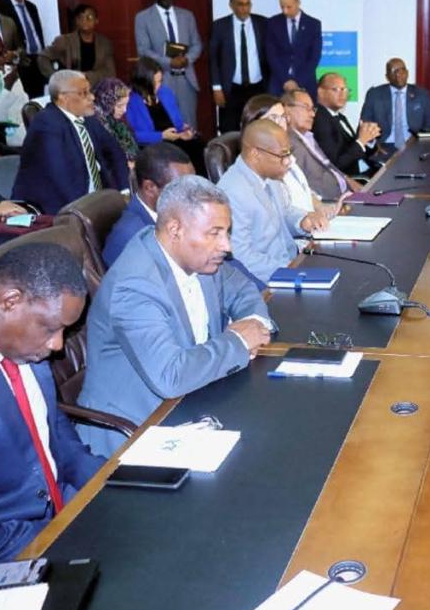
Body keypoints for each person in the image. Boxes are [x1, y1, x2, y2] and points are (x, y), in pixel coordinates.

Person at [78, 176, 273, 456]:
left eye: (227, 233)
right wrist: (239, 341)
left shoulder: (198, 258)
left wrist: (255, 324)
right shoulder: (134, 286)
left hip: (195, 400)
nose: (226, 245)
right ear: (175, 229)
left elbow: (243, 289)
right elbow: (170, 376)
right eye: (214, 233)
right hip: (136, 430)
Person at [0, 243, 104, 562]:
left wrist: (106, 480)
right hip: (13, 549)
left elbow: (52, 428)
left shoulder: (27, 352)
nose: (57, 345)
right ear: (10, 301)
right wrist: (56, 542)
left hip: (63, 511)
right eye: (51, 328)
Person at [216, 119, 327, 283]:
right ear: (255, 154)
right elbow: (242, 257)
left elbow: (285, 213)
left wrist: (303, 221)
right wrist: (291, 273)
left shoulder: (270, 176)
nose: (288, 161)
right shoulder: (232, 192)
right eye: (282, 155)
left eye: (289, 153)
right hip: (266, 280)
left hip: (292, 262)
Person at [11, 70, 129, 214]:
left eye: (90, 91)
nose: (92, 97)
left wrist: (124, 192)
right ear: (63, 98)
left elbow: (115, 152)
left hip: (95, 198)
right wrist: (89, 212)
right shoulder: (46, 124)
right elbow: (61, 178)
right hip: (58, 207)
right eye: (84, 93)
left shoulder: (88, 119)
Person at [102, 141, 194, 268]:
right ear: (150, 188)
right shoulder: (131, 238)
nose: (192, 196)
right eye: (182, 187)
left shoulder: (175, 213)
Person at [240, 93, 328, 217]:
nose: (281, 124)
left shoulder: (284, 155)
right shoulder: (258, 165)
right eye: (273, 118)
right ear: (254, 123)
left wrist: (322, 208)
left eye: (283, 117)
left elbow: (302, 190)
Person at [134, 0, 203, 130]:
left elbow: (197, 44)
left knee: (189, 126)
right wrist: (169, 62)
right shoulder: (143, 18)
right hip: (161, 80)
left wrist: (187, 59)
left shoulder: (187, 16)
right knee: (166, 125)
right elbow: (143, 50)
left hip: (186, 79)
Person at [124, 57, 202, 173]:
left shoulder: (165, 92)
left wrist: (183, 132)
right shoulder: (131, 101)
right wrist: (162, 136)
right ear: (143, 83)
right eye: (154, 83)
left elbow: (178, 123)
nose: (158, 86)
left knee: (199, 147)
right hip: (152, 147)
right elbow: (133, 136)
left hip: (174, 140)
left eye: (160, 81)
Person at [209, 0, 269, 133]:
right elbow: (213, 59)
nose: (245, 8)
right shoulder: (220, 26)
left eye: (248, 4)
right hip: (231, 88)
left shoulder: (263, 23)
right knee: (229, 130)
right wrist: (216, 88)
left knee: (258, 130)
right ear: (231, 5)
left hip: (258, 87)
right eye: (240, 4)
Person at [285, 87, 362, 201]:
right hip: (332, 202)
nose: (312, 114)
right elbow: (300, 188)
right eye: (306, 108)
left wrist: (348, 180)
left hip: (348, 193)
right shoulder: (288, 142)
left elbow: (327, 164)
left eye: (313, 109)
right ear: (287, 110)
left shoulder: (309, 137)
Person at [359, 57, 430, 151]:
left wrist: (422, 147)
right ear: (387, 76)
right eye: (394, 71)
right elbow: (365, 124)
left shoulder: (422, 94)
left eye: (402, 70)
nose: (399, 74)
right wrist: (374, 146)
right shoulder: (374, 95)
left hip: (414, 145)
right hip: (384, 146)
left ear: (407, 73)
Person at [314, 72, 381, 176]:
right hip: (352, 179)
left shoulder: (340, 117)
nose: (342, 94)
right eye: (336, 90)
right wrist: (361, 141)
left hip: (367, 170)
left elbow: (354, 149)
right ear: (321, 92)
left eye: (345, 90)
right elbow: (336, 164)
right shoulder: (320, 121)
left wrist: (369, 139)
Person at [38, 4, 115, 87]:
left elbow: (110, 72)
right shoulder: (65, 41)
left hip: (96, 86)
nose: (85, 20)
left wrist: (85, 75)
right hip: (71, 87)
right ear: (76, 21)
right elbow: (43, 57)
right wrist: (55, 78)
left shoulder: (104, 44)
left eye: (89, 17)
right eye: (81, 18)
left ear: (96, 20)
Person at [265, 0, 322, 97]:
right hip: (279, 83)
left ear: (298, 2)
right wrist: (286, 80)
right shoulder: (273, 23)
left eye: (289, 7)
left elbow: (314, 57)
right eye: (282, 7)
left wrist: (297, 82)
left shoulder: (313, 24)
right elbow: (271, 55)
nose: (285, 11)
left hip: (305, 84)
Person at [0, 0, 46, 97]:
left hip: (37, 61)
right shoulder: (0, 6)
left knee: (38, 100)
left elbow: (37, 34)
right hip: (15, 67)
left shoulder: (31, 7)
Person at [92, 77, 137, 161]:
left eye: (126, 104)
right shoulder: (96, 124)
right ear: (106, 103)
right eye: (119, 106)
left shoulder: (117, 119)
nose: (124, 110)